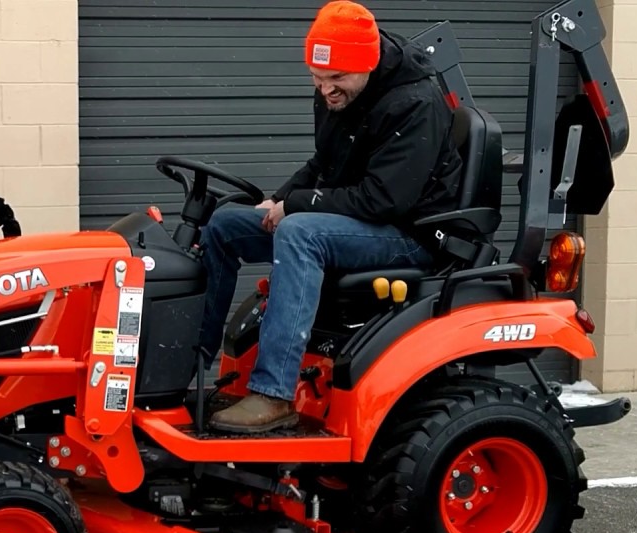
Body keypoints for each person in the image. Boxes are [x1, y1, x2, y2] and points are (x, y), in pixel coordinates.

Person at [197, 0, 464, 434]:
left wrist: (296, 206)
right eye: (317, 79)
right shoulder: (339, 92)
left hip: (410, 232)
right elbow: (323, 162)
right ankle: (192, 365)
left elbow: (384, 200)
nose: (325, 90)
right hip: (357, 220)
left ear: (369, 64)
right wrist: (278, 198)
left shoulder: (416, 104)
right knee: (226, 224)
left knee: (300, 232)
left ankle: (273, 394)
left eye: (336, 79)